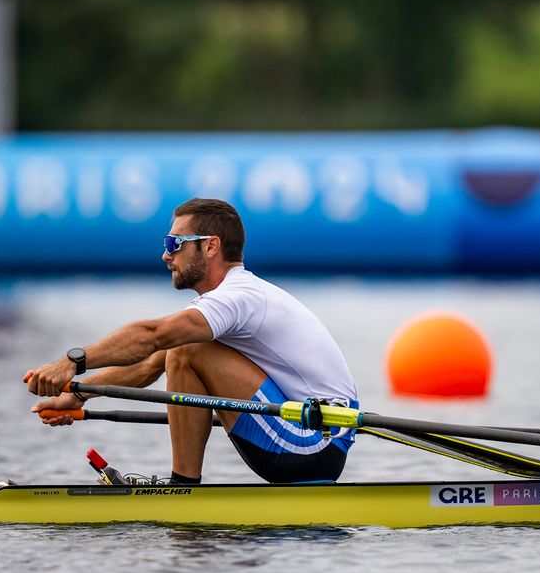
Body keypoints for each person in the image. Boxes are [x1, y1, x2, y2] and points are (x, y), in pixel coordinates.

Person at [25, 198, 358, 485]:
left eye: (174, 244)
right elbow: (152, 363)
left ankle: (182, 485)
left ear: (210, 246)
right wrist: (79, 393)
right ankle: (183, 484)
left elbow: (152, 336)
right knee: (179, 351)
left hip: (313, 443)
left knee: (183, 347)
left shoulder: (238, 297)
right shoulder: (232, 301)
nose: (165, 256)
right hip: (307, 437)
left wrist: (72, 361)